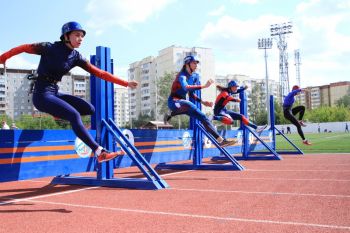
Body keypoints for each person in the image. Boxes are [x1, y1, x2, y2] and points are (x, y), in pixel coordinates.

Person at [0, 21, 138, 162]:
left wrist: (126, 83)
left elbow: (101, 73)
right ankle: (99, 152)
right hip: (42, 94)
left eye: (82, 37)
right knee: (74, 115)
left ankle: (57, 114)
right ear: (66, 35)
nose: (80, 39)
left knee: (89, 109)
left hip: (54, 92)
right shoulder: (49, 47)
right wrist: (3, 57)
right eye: (77, 35)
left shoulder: (76, 56)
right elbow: (24, 48)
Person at [164, 55, 235, 147]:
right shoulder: (181, 76)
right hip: (173, 102)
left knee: (203, 117)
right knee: (189, 104)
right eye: (194, 63)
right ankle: (171, 113)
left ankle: (220, 140)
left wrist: (203, 102)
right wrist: (204, 86)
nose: (196, 65)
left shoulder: (193, 77)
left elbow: (191, 94)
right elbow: (186, 87)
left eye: (197, 63)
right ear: (187, 64)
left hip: (185, 105)